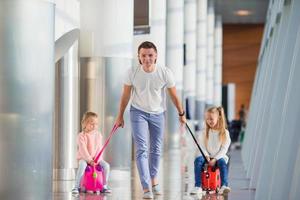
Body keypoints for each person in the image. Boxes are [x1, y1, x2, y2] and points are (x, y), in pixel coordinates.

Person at [114, 41, 186, 199]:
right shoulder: (132, 72)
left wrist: (182, 113)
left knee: (156, 149)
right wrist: (119, 116)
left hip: (158, 113)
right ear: (139, 57)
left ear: (156, 56)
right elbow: (125, 95)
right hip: (137, 112)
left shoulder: (165, 72)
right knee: (141, 149)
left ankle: (154, 180)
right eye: (144, 55)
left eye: (150, 55)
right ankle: (146, 187)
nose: (147, 58)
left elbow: (173, 95)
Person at [190, 106, 231, 195]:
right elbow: (202, 146)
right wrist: (207, 156)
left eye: (211, 119)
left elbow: (224, 149)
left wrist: (215, 159)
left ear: (218, 118)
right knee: (198, 161)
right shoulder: (204, 132)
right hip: (207, 156)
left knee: (223, 164)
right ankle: (198, 186)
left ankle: (224, 185)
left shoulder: (225, 133)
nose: (209, 121)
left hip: (219, 157)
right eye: (207, 119)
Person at [72, 111, 111, 194]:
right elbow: (83, 150)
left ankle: (104, 185)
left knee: (106, 166)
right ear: (84, 123)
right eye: (92, 123)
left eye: (96, 124)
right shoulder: (81, 136)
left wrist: (97, 160)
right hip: (85, 158)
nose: (94, 126)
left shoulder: (98, 135)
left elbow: (99, 149)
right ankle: (76, 186)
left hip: (96, 159)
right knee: (82, 165)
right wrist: (89, 160)